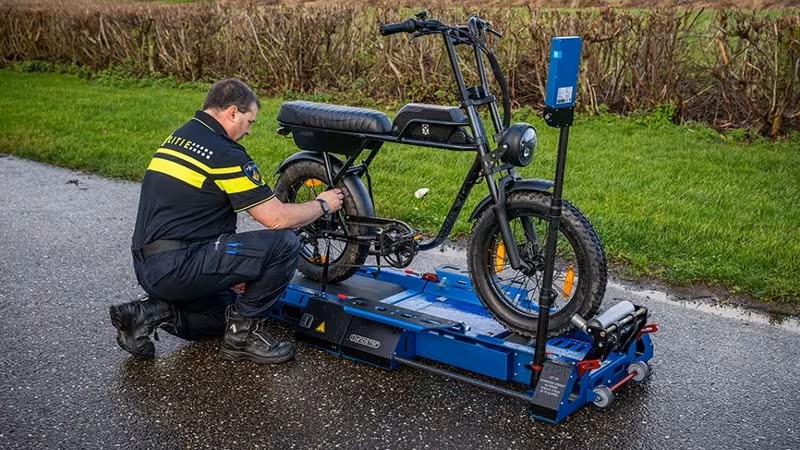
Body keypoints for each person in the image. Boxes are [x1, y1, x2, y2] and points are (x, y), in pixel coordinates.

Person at [109, 78, 343, 364]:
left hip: (150, 266)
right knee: (284, 243)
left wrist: (228, 273)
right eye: (249, 121)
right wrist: (322, 204)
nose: (248, 131)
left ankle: (146, 314)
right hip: (179, 264)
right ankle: (242, 338)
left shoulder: (180, 136)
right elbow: (277, 218)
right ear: (232, 112)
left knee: (223, 311)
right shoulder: (224, 153)